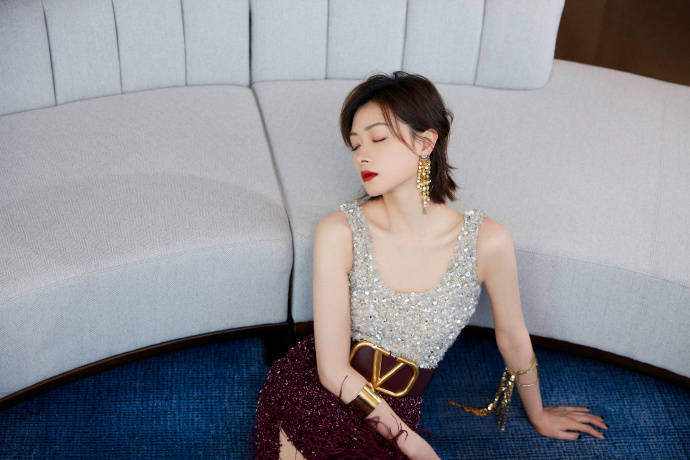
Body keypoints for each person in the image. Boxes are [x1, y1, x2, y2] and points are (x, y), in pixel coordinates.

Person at [250, 71, 607, 459]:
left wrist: (537, 413)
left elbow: (513, 337)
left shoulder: (487, 241)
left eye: (378, 138)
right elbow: (333, 371)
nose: (362, 155)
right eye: (355, 144)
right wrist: (414, 445)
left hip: (398, 406)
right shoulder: (339, 231)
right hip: (318, 390)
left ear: (426, 142)